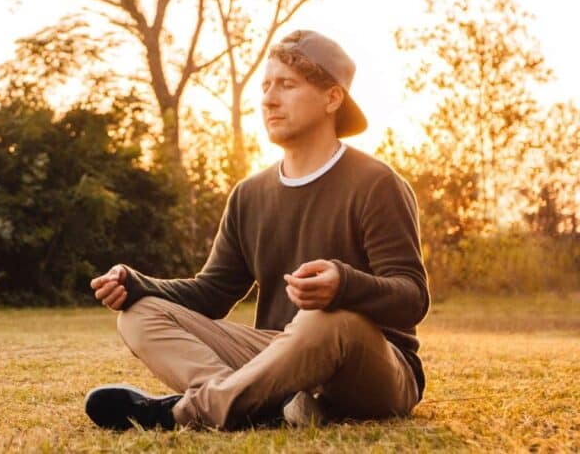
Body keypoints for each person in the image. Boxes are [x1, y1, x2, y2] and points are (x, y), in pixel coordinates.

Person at [83, 30, 428, 432]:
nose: (268, 99)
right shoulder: (249, 195)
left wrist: (344, 286)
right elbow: (212, 294)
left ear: (332, 98)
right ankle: (258, 403)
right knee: (138, 316)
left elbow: (412, 297)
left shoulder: (377, 184)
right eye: (266, 86)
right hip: (278, 360)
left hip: (373, 368)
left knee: (323, 321)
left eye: (287, 85)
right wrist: (140, 286)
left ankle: (188, 412)